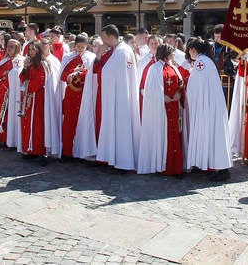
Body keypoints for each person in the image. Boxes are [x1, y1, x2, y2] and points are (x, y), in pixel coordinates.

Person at [185, 38, 232, 180]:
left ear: (193, 50)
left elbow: (194, 87)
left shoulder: (200, 63)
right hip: (210, 105)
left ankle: (222, 169)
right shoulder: (207, 62)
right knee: (209, 135)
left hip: (207, 107)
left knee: (212, 136)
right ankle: (202, 163)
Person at [95, 24, 140, 171]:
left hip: (120, 98)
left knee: (121, 129)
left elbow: (105, 72)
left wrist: (99, 56)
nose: (102, 41)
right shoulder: (120, 50)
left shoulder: (121, 52)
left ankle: (122, 161)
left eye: (103, 37)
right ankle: (113, 158)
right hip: (119, 96)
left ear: (111, 37)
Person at [137, 44, 185, 176]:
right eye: (172, 52)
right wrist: (161, 96)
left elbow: (180, 84)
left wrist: (179, 93)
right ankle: (163, 165)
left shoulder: (173, 67)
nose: (174, 54)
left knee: (174, 134)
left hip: (173, 106)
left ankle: (175, 166)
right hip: (161, 108)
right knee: (164, 135)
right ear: (166, 53)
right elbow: (150, 90)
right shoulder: (154, 69)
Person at [18, 39, 61, 164]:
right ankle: (31, 149)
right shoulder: (30, 63)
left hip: (39, 98)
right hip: (30, 97)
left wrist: (28, 85)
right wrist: (25, 68)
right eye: (29, 49)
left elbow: (41, 80)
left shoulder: (42, 63)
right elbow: (22, 77)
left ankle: (41, 150)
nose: (30, 52)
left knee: (39, 125)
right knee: (29, 123)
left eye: (33, 49)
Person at [59, 33, 95, 158]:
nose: (80, 49)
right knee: (69, 122)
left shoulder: (91, 58)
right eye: (78, 46)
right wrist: (72, 72)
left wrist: (82, 73)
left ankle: (83, 152)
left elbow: (92, 76)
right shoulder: (68, 57)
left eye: (82, 46)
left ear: (87, 46)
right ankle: (67, 151)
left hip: (84, 95)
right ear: (74, 46)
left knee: (84, 122)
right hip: (71, 94)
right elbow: (62, 76)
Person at [0, 39, 23, 146]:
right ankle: (1, 138)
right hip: (2, 90)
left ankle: (10, 139)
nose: (9, 49)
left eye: (12, 47)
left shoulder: (20, 60)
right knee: (0, 114)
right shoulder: (4, 60)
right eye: (8, 46)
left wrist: (6, 74)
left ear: (17, 48)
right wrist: (5, 73)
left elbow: (18, 75)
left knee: (10, 115)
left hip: (13, 92)